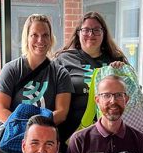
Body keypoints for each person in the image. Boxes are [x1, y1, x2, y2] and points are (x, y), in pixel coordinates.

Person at [0, 14, 73, 153]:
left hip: (45, 143)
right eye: (34, 35)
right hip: (12, 142)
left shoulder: (60, 73)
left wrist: (37, 134)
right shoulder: (11, 70)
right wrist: (27, 132)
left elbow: (62, 113)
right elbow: (0, 110)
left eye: (45, 35)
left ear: (51, 38)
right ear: (27, 38)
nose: (40, 40)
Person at [55, 11, 128, 146]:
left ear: (104, 33)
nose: (91, 34)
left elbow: (128, 94)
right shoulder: (64, 59)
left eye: (96, 30)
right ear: (78, 33)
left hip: (109, 135)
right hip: (70, 135)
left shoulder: (116, 60)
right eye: (86, 30)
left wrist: (123, 72)